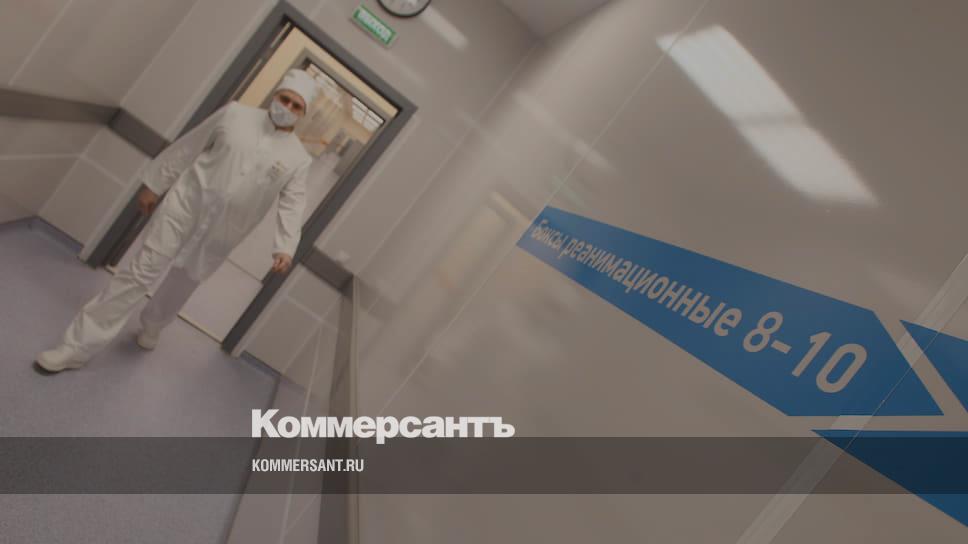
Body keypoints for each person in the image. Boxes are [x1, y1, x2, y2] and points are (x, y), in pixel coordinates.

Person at [35, 69, 320, 373]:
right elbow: (189, 146)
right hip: (183, 209)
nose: (287, 108)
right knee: (136, 276)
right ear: (276, 95)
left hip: (222, 232)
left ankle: (153, 324)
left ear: (303, 113)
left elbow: (293, 203)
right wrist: (155, 183)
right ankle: (75, 347)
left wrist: (285, 246)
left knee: (183, 284)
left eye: (296, 106)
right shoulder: (235, 115)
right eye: (284, 99)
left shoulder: (298, 159)